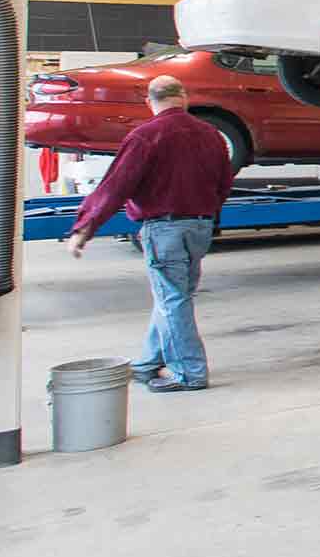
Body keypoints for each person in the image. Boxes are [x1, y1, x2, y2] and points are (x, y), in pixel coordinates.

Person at [65, 75, 236, 393]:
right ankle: (147, 364)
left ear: (149, 102)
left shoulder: (145, 136)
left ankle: (189, 373)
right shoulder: (211, 135)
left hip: (164, 229)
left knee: (172, 300)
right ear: (183, 97)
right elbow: (225, 181)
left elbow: (116, 186)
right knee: (174, 297)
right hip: (200, 226)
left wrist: (85, 228)